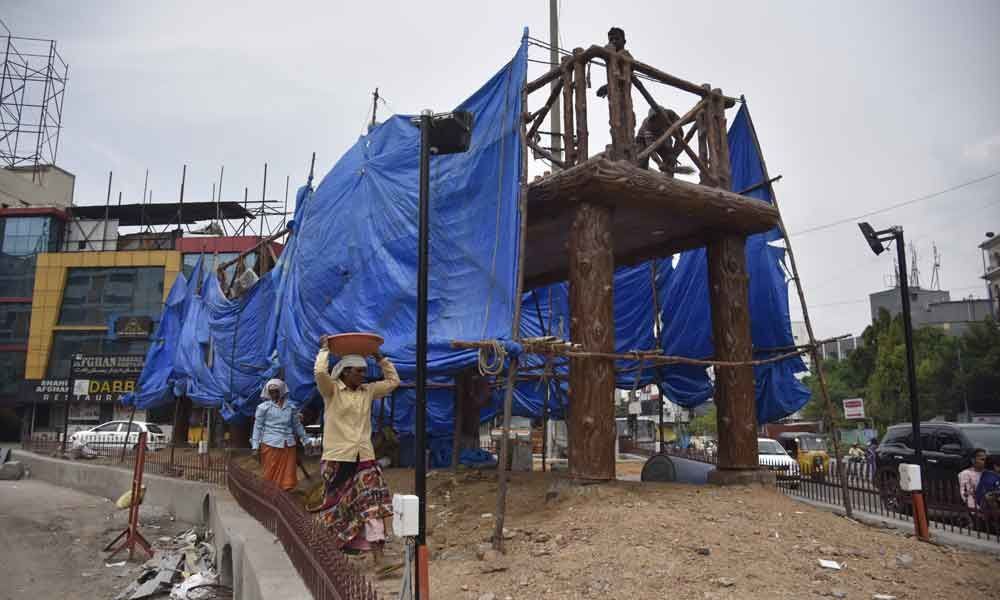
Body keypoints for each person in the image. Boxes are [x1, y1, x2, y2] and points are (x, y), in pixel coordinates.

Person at [312, 335, 400, 565]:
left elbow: (393, 382)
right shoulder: (331, 392)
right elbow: (320, 374)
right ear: (344, 372)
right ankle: (332, 555)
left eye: (363, 371)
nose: (363, 375)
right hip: (337, 459)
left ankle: (379, 559)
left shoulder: (368, 392)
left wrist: (380, 358)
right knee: (337, 510)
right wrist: (324, 351)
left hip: (365, 459)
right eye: (358, 372)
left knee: (372, 506)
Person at [251, 378, 308, 492]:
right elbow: (257, 428)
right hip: (270, 444)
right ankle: (269, 494)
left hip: (288, 445)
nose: (274, 394)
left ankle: (286, 494)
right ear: (268, 393)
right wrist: (255, 446)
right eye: (271, 392)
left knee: (288, 474)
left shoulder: (291, 407)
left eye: (276, 391)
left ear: (281, 391)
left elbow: (297, 425)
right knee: (270, 473)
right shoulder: (263, 408)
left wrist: (306, 440)